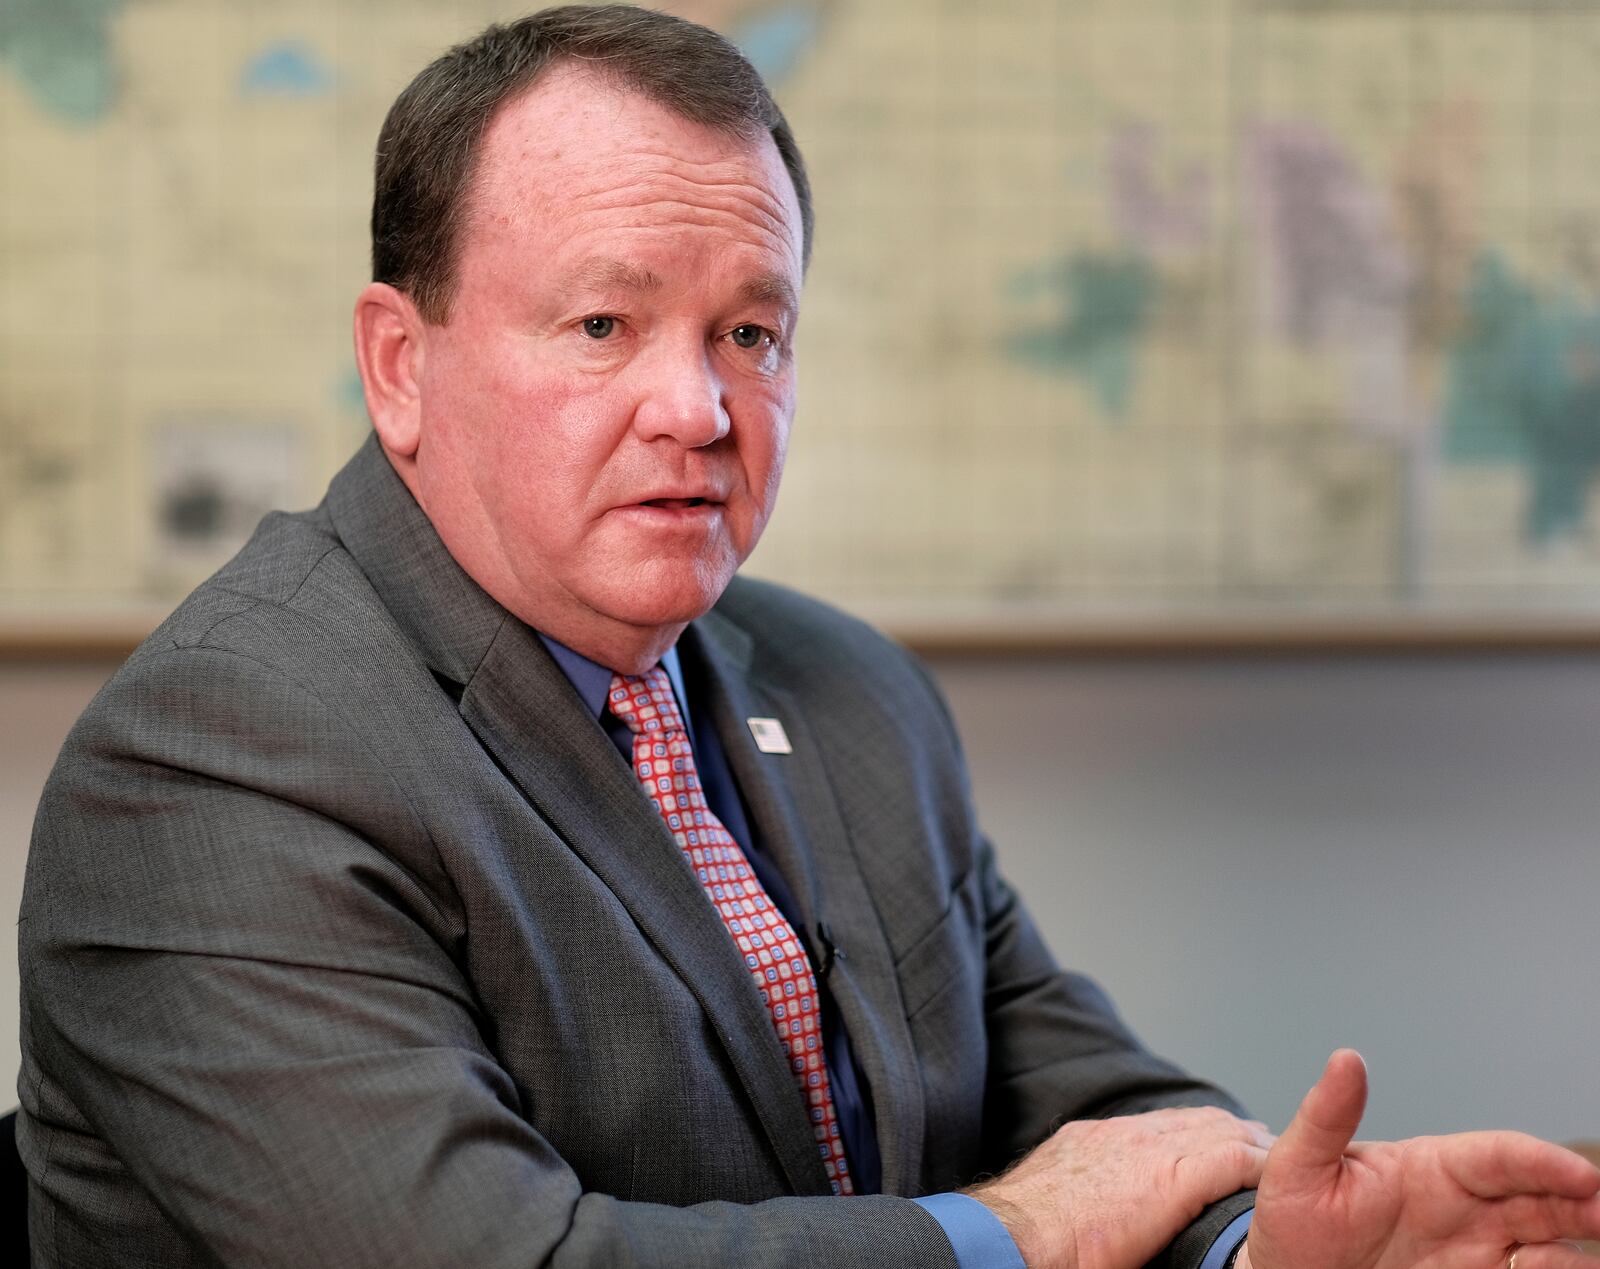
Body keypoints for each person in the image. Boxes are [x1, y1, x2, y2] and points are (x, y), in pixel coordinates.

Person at [16, 7, 1600, 1268]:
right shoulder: (220, 757)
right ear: (399, 363)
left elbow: (1093, 1106)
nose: (699, 409)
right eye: (602, 325)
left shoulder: (854, 691)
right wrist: (1018, 1233)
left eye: (751, 333)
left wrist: (1265, 1243)